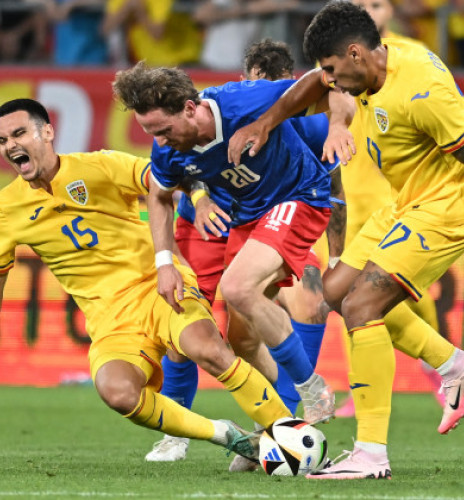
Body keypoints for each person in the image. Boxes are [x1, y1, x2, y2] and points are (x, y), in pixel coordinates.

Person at [227, 1, 464, 480]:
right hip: (403, 202)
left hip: (445, 210)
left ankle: (371, 454)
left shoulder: (422, 92)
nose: (330, 80)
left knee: (361, 308)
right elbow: (310, 85)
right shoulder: (362, 68)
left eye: (333, 69)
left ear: (354, 53)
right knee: (332, 294)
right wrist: (265, 123)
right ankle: (454, 364)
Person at [0, 98, 293, 465]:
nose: (10, 145)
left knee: (207, 349)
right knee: (117, 392)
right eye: (2, 141)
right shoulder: (6, 211)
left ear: (47, 131)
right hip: (111, 321)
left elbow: (171, 177)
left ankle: (291, 438)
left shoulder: (100, 166)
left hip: (159, 286)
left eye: (18, 133)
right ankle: (226, 434)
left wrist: (200, 200)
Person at [112, 62, 337, 435]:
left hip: (298, 198)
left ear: (189, 108)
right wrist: (164, 262)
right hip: (246, 221)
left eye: (164, 131)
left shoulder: (243, 100)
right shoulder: (167, 149)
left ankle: (312, 389)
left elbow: (321, 79)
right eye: (151, 133)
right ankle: (279, 427)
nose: (161, 142)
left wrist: (265, 123)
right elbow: (159, 194)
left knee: (237, 286)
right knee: (242, 341)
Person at [333, 0, 444, 419]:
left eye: (376, 3)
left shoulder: (405, 56)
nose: (369, 10)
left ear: (391, 11)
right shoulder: (337, 63)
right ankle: (355, 386)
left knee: (413, 294)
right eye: (360, 4)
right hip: (354, 192)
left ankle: (441, 367)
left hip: (394, 194)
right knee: (346, 293)